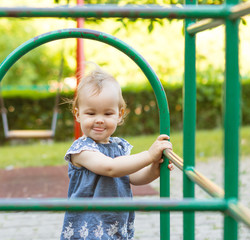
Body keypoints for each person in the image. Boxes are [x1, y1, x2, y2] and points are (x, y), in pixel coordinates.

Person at [61, 63, 173, 240]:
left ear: (119, 115)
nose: (99, 120)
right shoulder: (81, 150)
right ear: (77, 114)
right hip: (88, 230)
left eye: (107, 114)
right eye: (91, 114)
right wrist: (148, 155)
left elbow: (132, 176)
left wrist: (153, 169)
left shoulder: (119, 147)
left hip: (115, 226)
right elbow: (110, 168)